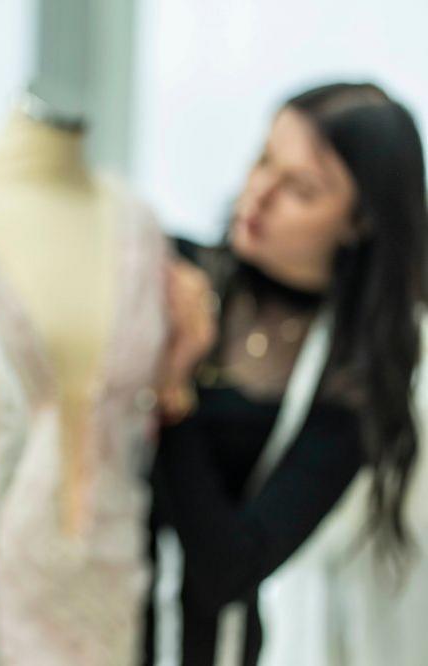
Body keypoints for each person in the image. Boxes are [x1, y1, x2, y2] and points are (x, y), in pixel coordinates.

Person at [144, 82, 428, 666]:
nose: (258, 193)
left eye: (299, 189)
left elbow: (230, 567)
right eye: (263, 159)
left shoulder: (350, 379)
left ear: (359, 225)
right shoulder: (173, 274)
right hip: (81, 614)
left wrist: (174, 391)